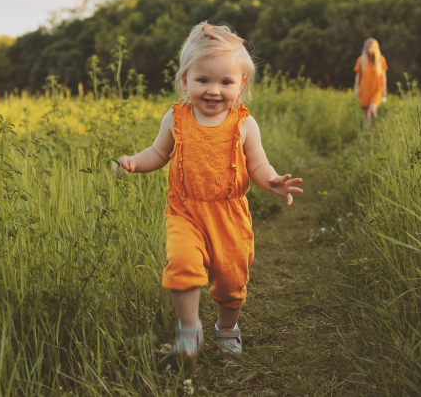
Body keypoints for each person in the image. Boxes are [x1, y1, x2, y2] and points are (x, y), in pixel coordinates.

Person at [114, 22, 303, 363]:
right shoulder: (175, 119)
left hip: (229, 214)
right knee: (182, 264)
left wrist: (272, 180)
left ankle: (227, 328)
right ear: (185, 80)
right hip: (184, 211)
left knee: (231, 279)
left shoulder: (244, 124)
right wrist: (133, 162)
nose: (214, 90)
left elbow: (258, 164)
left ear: (241, 84)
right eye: (203, 80)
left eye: (225, 81)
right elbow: (158, 154)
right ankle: (190, 329)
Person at [353, 37, 388, 128]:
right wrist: (356, 88)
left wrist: (384, 90)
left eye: (371, 47)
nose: (369, 49)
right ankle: (367, 131)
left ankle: (376, 126)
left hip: (377, 88)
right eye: (368, 47)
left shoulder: (381, 60)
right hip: (365, 88)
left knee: (372, 109)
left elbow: (383, 76)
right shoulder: (360, 60)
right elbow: (358, 75)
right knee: (366, 112)